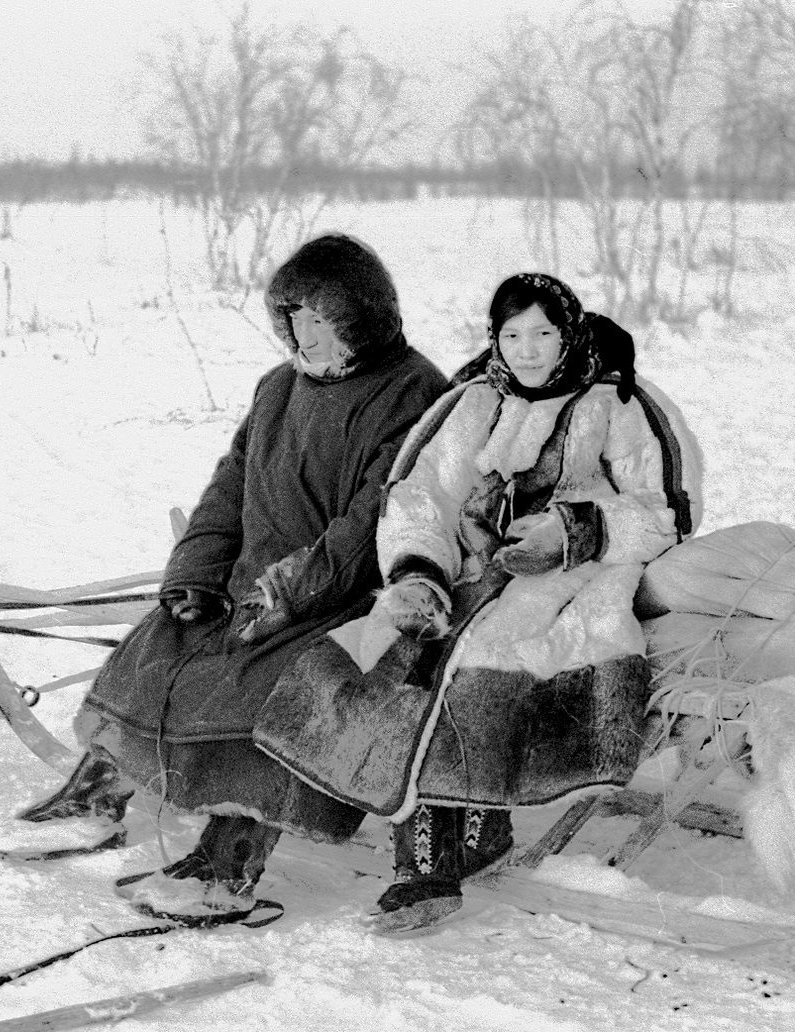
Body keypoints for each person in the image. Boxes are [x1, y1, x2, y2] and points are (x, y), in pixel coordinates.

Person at [18, 233, 448, 924]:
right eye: (293, 321)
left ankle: (229, 855)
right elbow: (230, 485)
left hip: (343, 595)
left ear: (362, 317)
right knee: (158, 648)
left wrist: (290, 593)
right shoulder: (278, 388)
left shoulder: (416, 394)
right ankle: (95, 795)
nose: (305, 337)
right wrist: (197, 574)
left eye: (321, 321)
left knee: (273, 688)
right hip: (253, 582)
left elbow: (376, 517)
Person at [252, 272, 704, 928]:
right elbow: (421, 491)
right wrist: (416, 573)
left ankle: (432, 864)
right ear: (495, 337)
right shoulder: (473, 402)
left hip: (573, 576)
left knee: (483, 665)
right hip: (469, 568)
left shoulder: (621, 403)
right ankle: (444, 830)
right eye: (512, 334)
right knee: (380, 650)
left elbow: (667, 509)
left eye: (543, 334)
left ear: (569, 332)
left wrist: (570, 531)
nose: (527, 350)